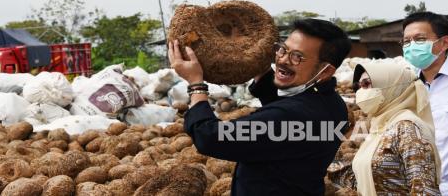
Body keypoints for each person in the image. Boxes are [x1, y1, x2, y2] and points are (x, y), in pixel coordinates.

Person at [168, 19, 351, 196]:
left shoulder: (293, 115)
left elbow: (210, 137)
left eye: (297, 57)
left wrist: (196, 84)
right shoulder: (335, 106)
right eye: (282, 50)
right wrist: (255, 60)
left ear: (326, 70)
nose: (283, 60)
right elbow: (282, 114)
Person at [329, 62, 441, 195]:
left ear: (392, 87)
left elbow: (424, 190)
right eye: (357, 86)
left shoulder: (408, 128)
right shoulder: (380, 126)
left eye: (366, 84)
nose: (360, 91)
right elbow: (365, 180)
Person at [402, 12, 448, 195]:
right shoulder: (403, 84)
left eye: (420, 39)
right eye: (406, 41)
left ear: (444, 43)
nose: (412, 46)